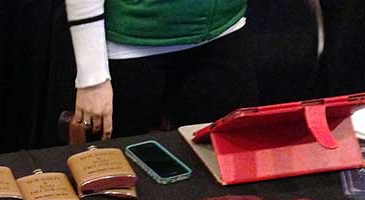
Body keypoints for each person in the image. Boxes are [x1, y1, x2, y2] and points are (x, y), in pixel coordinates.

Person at [66, 0, 259, 139]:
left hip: (223, 33)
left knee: (234, 162)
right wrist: (93, 78)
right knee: (115, 170)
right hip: (131, 47)